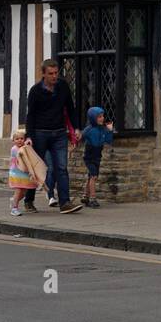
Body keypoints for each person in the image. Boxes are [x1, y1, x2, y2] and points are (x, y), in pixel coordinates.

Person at [25, 59, 83, 214]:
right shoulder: (35, 91)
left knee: (61, 168)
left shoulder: (63, 87)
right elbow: (30, 115)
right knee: (38, 169)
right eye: (50, 73)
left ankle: (65, 203)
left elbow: (71, 108)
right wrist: (29, 136)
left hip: (59, 133)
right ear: (43, 74)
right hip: (40, 133)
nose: (54, 76)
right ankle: (28, 200)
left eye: (56, 73)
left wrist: (76, 127)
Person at [79, 106, 114, 208]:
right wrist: (74, 143)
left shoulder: (103, 129)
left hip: (97, 156)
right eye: (99, 117)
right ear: (93, 118)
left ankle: (85, 196)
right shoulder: (89, 129)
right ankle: (93, 199)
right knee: (94, 176)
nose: (102, 118)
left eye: (102, 116)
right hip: (89, 156)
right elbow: (81, 137)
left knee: (91, 176)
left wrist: (110, 130)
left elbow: (108, 141)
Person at [8, 129, 41, 216]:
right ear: (13, 140)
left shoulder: (25, 148)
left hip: (24, 174)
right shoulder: (15, 149)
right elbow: (23, 158)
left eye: (22, 138)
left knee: (24, 192)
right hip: (17, 173)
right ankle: (14, 208)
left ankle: (14, 200)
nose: (19, 140)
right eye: (17, 139)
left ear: (25, 139)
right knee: (18, 190)